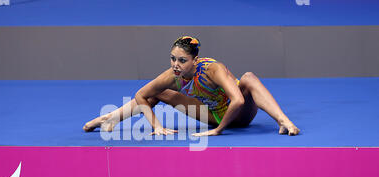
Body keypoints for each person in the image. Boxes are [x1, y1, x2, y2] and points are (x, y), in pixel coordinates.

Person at [83, 36, 300, 137]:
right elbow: (141, 95)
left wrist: (218, 130)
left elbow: (239, 101)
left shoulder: (212, 69)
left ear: (194, 61)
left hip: (240, 114)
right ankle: (111, 118)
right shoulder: (172, 76)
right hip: (214, 113)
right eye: (173, 59)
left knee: (249, 78)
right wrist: (156, 126)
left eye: (182, 60)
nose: (176, 65)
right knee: (159, 93)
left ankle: (283, 121)